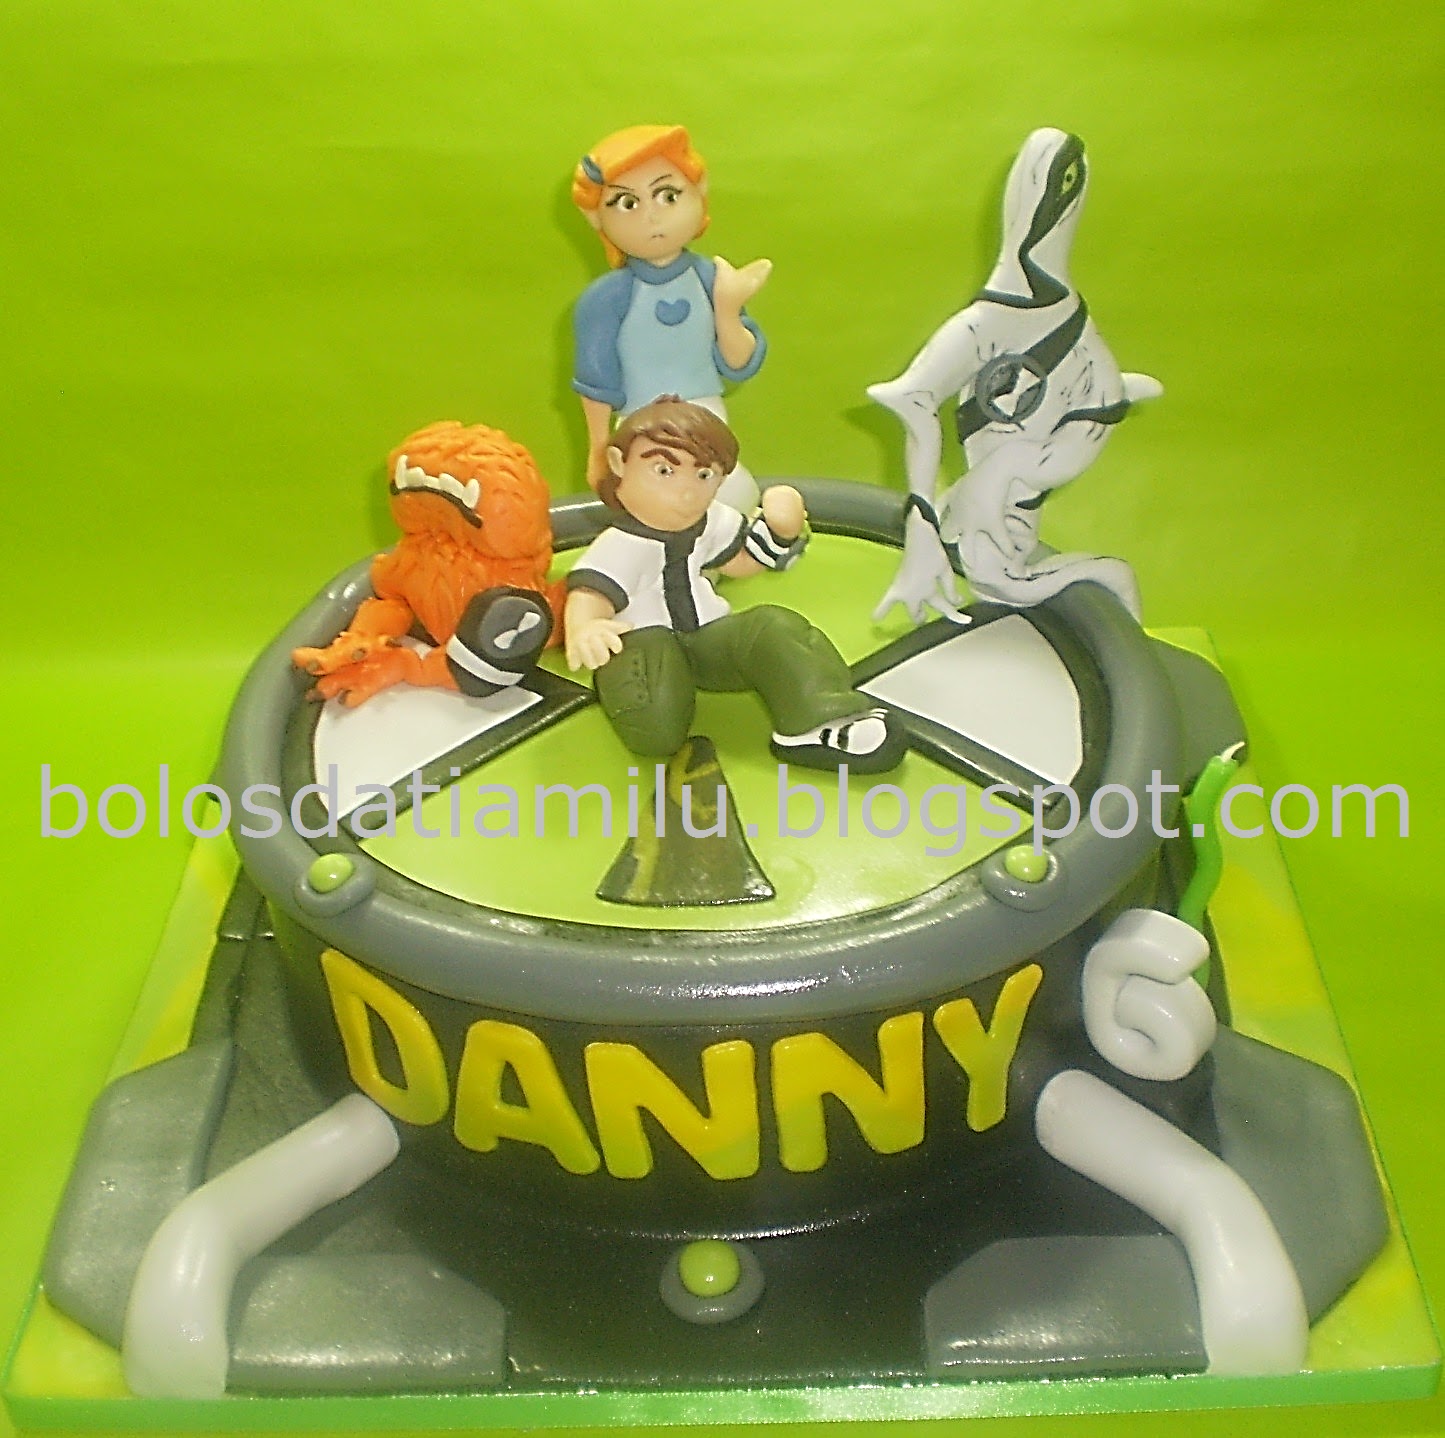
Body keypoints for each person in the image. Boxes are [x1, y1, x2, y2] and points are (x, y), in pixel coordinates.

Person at [564, 397, 905, 772]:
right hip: (644, 643)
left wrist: (782, 530)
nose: (686, 492)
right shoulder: (620, 545)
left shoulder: (711, 520)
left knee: (772, 627)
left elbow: (742, 562)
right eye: (663, 470)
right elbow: (591, 594)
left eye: (704, 475)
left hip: (706, 636)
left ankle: (818, 719)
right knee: (657, 728)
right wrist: (586, 628)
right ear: (619, 464)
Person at [571, 124, 769, 509]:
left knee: (732, 497)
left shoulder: (712, 279)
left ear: (699, 194)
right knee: (652, 507)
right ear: (596, 218)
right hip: (640, 426)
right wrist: (598, 448)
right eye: (627, 203)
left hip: (706, 415)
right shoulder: (606, 299)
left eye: (667, 196)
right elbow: (596, 382)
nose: (651, 217)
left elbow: (738, 364)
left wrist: (728, 309)